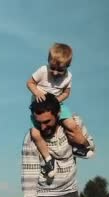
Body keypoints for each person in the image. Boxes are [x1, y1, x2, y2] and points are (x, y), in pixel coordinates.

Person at [27, 42, 94, 179]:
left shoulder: (68, 77)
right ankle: (48, 160)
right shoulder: (42, 71)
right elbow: (30, 83)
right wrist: (37, 92)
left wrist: (58, 99)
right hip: (39, 106)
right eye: (53, 68)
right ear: (48, 61)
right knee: (35, 133)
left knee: (71, 125)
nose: (56, 72)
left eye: (60, 70)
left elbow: (67, 93)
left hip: (57, 104)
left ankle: (76, 148)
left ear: (67, 67)